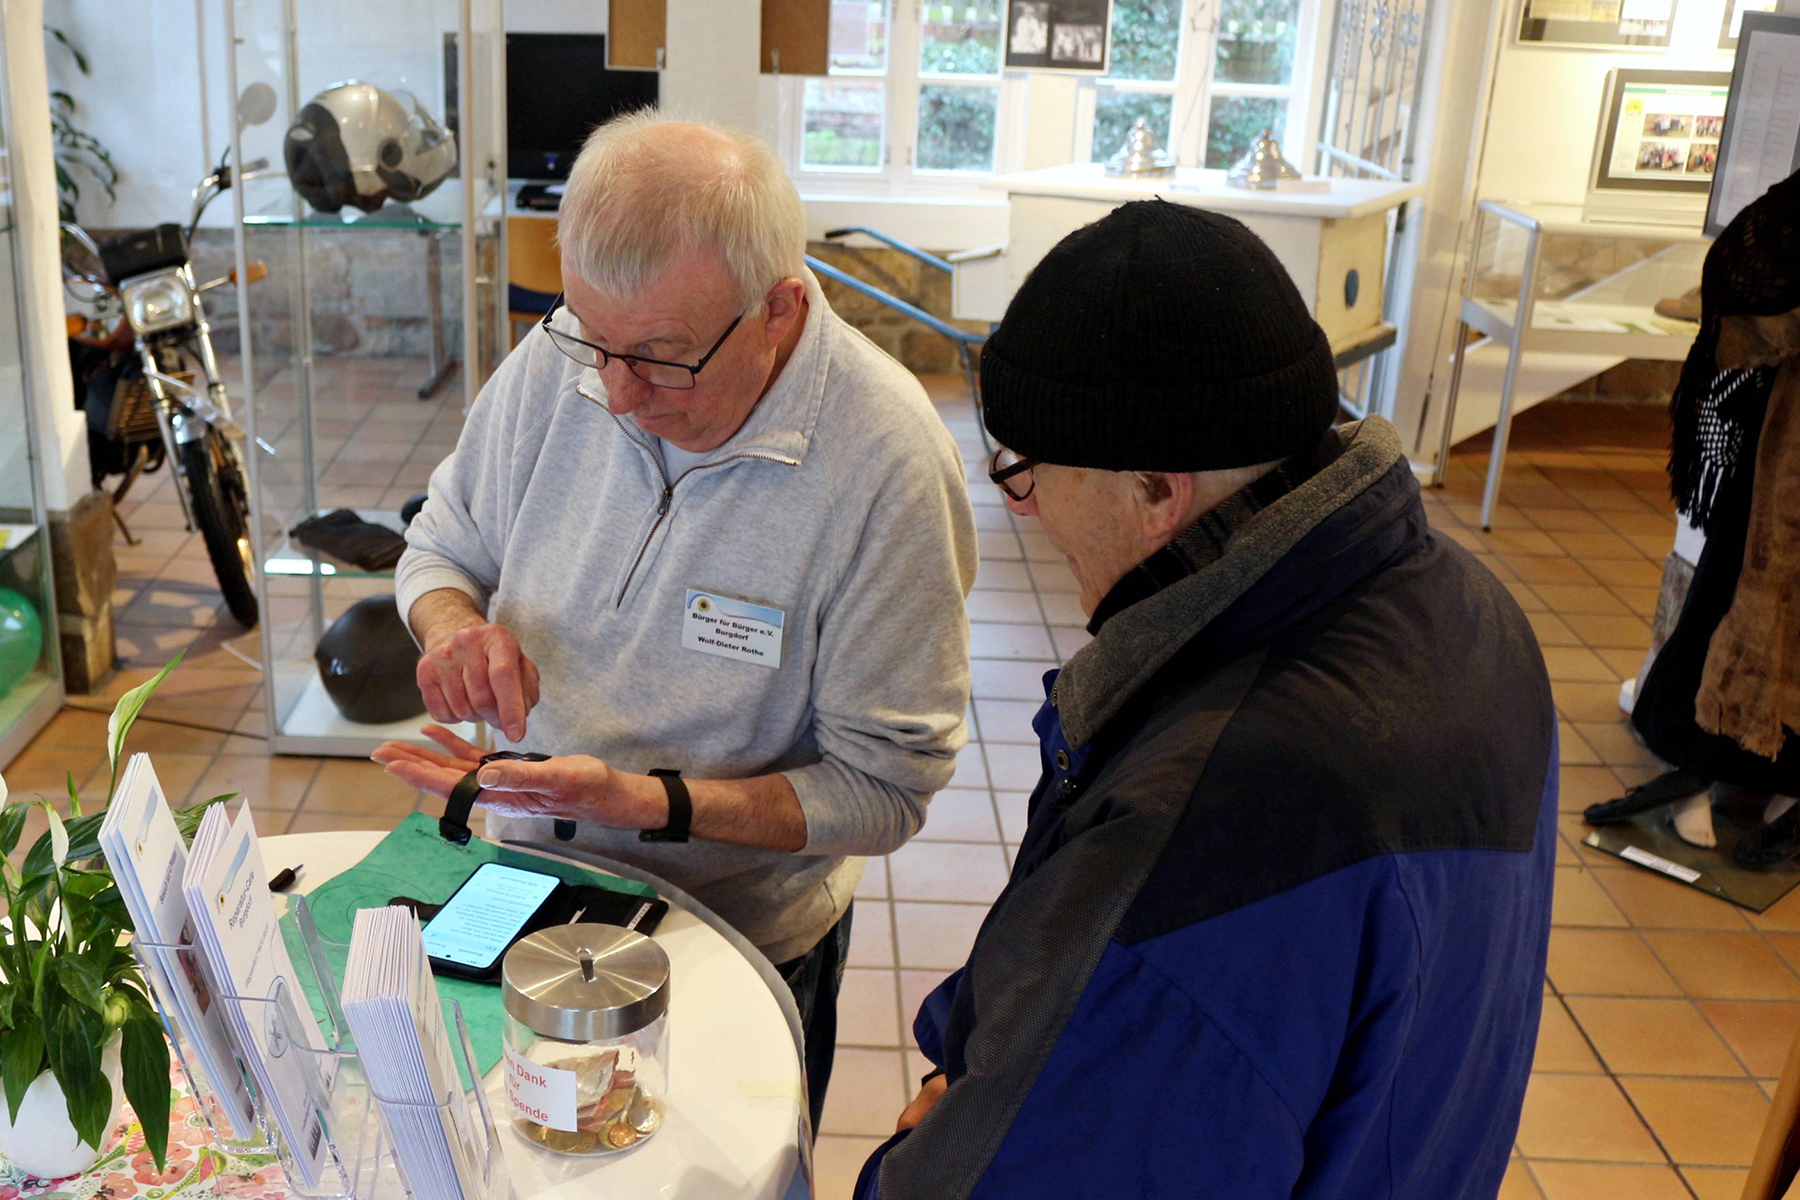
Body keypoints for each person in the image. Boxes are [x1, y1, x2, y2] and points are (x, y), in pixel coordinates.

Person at [857, 201, 1557, 1199]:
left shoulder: (1212, 816)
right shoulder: (1468, 608)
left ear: (1157, 491)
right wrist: (989, 1067)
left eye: (1027, 472)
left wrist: (934, 1148)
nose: (1025, 507)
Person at [372, 111, 979, 1130]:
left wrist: (648, 804)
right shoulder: (569, 360)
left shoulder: (888, 465)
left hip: (735, 938)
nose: (614, 395)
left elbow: (885, 791)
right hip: (526, 881)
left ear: (779, 308)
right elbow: (442, 543)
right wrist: (449, 629)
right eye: (592, 340)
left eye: (663, 357)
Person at [1585, 168, 1800, 864]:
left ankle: (1781, 776)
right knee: (1737, 591)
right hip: (1785, 455)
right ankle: (1698, 763)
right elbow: (1739, 272)